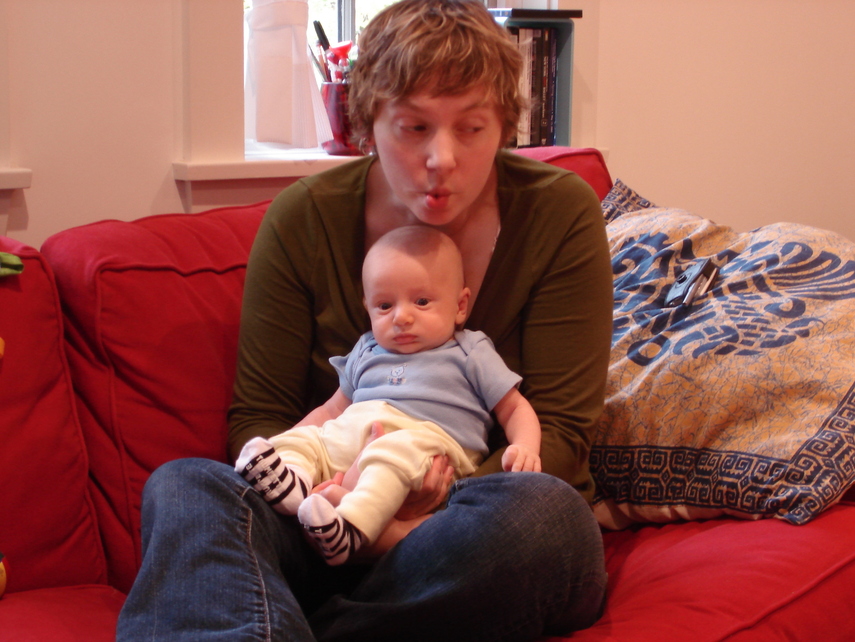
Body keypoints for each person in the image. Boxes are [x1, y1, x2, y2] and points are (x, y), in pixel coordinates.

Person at [117, 0, 613, 640]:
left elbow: (562, 433)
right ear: (368, 123)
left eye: (472, 128)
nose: (442, 158)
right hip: (322, 516)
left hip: (466, 527)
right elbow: (259, 418)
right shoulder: (304, 218)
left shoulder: (559, 213)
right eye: (413, 128)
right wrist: (333, 497)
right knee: (185, 488)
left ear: (503, 128)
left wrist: (408, 517)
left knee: (545, 519)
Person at [235, 226, 542, 566]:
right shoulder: (366, 349)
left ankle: (353, 525)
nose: (402, 317)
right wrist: (286, 442)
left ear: (460, 306)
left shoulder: (470, 351)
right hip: (350, 443)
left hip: (424, 447)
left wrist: (525, 446)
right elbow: (331, 410)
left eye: (421, 302)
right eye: (384, 305)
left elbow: (514, 408)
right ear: (367, 308)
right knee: (306, 439)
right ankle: (293, 482)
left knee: (391, 452)